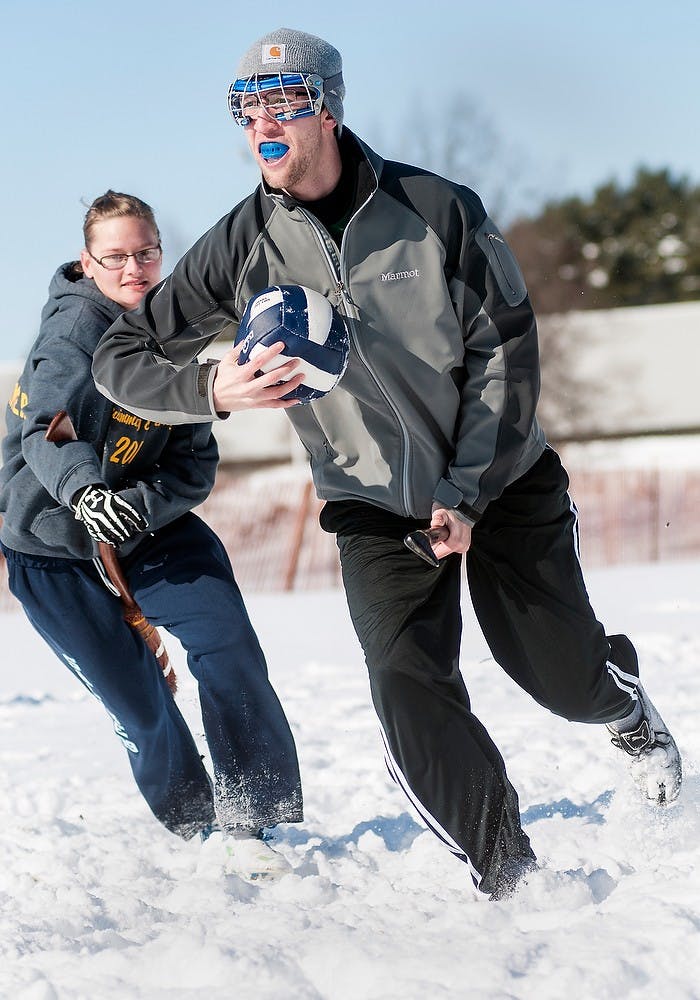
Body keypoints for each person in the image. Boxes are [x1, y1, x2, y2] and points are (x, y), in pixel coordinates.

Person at [91, 32, 682, 898]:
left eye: (283, 102)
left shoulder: (438, 208)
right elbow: (122, 356)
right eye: (247, 107)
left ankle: (627, 714)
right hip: (371, 506)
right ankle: (510, 874)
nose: (264, 123)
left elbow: (507, 353)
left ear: (327, 107)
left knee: (557, 677)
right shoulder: (242, 241)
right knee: (408, 687)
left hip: (502, 483)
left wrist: (466, 492)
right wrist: (214, 386)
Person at [0, 190, 302, 878]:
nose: (134, 269)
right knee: (139, 706)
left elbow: (194, 465)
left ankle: (250, 815)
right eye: (116, 257)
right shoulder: (72, 336)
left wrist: (133, 504)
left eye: (146, 252)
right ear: (88, 262)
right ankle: (194, 818)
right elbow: (44, 431)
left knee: (225, 637)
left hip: (145, 527)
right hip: (52, 548)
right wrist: (86, 492)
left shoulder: (176, 330)